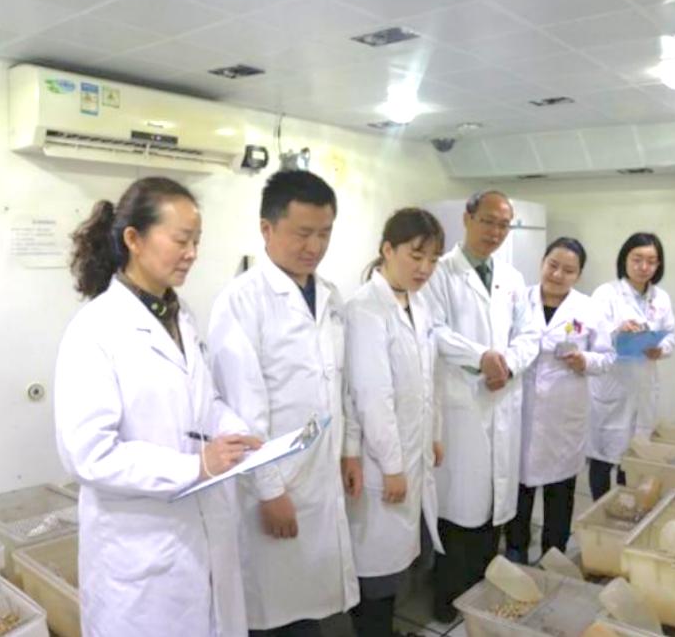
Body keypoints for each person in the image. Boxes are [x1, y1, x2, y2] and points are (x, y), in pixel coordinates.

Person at [54, 177, 260, 637]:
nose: (192, 253)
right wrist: (195, 467)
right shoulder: (95, 330)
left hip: (199, 536)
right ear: (134, 238)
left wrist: (235, 432)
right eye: (181, 240)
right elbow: (89, 453)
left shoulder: (180, 317)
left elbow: (204, 404)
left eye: (197, 241)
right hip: (140, 556)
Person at [206, 170, 357, 636]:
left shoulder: (328, 295)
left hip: (319, 471)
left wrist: (348, 450)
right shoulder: (242, 301)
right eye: (303, 233)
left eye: (325, 233)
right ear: (267, 229)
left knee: (309, 603)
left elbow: (336, 385)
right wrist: (270, 492)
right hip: (274, 483)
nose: (315, 246)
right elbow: (242, 413)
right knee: (273, 610)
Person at [421, 190, 542, 622]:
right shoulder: (439, 273)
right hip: (462, 406)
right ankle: (448, 602)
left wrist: (506, 364)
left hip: (500, 397)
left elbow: (531, 335)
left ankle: (482, 600)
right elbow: (433, 332)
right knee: (459, 512)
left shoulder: (511, 277)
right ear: (467, 218)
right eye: (488, 221)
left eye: (503, 225)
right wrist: (482, 358)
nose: (495, 232)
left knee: (493, 510)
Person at [342, 208, 447, 637]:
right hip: (381, 460)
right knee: (376, 569)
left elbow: (428, 380)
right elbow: (372, 396)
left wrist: (434, 434)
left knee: (400, 558)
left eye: (433, 259)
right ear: (387, 249)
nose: (425, 268)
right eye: (415, 256)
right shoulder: (364, 308)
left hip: (412, 451)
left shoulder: (419, 304)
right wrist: (391, 466)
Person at [504, 238, 614, 561]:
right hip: (521, 406)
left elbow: (607, 357)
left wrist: (585, 361)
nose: (557, 275)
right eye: (552, 265)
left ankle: (554, 555)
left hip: (564, 412)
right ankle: (516, 550)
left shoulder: (588, 309)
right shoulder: (519, 299)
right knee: (519, 488)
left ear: (578, 275)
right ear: (542, 263)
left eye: (568, 270)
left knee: (560, 491)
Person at [588, 232, 675, 500]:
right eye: (637, 259)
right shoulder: (606, 294)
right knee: (603, 456)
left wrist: (661, 349)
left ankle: (628, 506)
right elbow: (592, 334)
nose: (644, 267)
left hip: (643, 383)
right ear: (624, 260)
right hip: (612, 385)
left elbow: (671, 334)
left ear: (658, 265)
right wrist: (618, 330)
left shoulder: (661, 298)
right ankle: (600, 508)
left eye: (651, 261)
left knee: (634, 456)